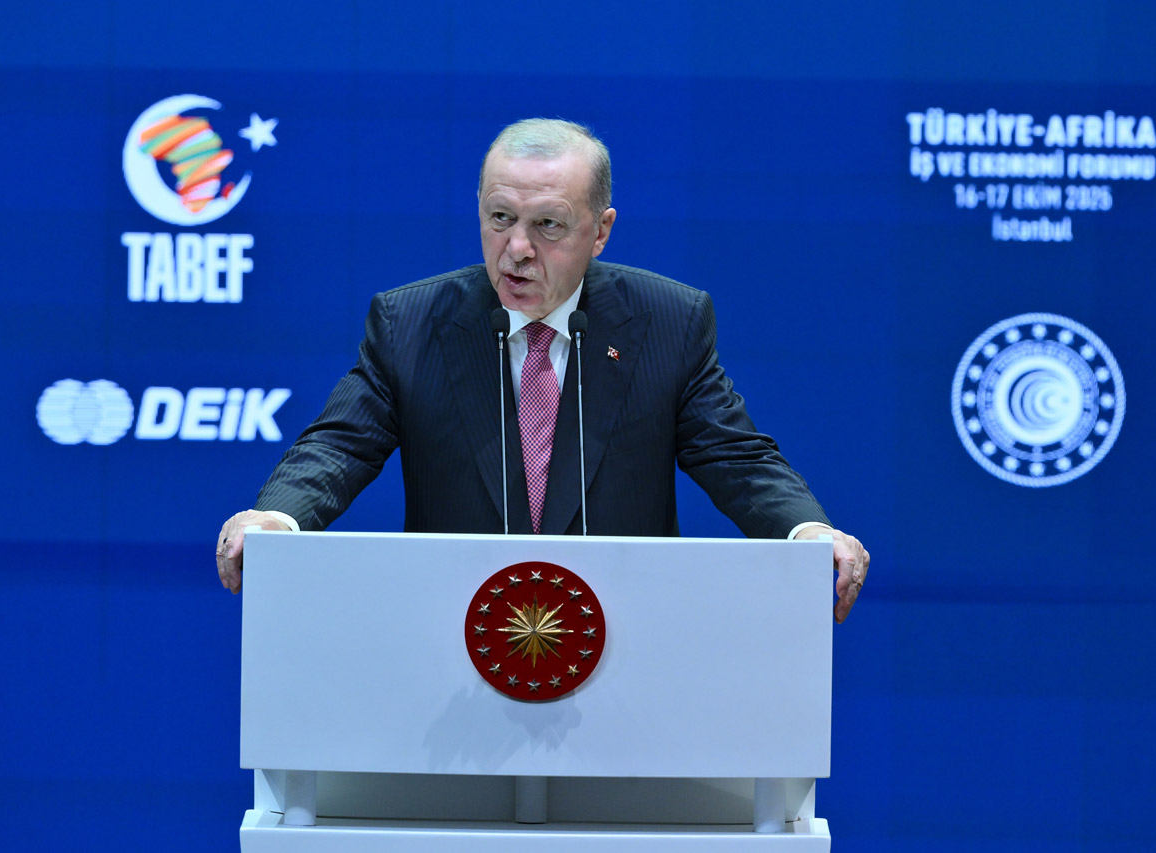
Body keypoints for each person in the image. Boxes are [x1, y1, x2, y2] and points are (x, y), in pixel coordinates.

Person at [216, 118, 869, 622]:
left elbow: (736, 457)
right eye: (500, 219)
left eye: (548, 225)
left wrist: (806, 531)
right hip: (455, 644)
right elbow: (339, 445)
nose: (518, 249)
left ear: (601, 231)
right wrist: (275, 520)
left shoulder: (666, 322)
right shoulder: (411, 323)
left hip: (622, 642)